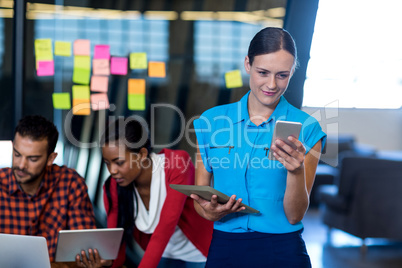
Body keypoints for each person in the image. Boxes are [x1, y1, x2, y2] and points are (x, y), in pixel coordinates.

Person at [192, 27, 327, 267]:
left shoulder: (307, 128)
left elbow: (295, 215)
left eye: (283, 75)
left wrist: (295, 171)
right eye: (263, 72)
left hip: (282, 251)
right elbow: (199, 197)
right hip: (224, 247)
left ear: (293, 71)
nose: (272, 84)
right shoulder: (210, 122)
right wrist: (209, 212)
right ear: (247, 64)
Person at [80, 117, 213, 268]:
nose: (112, 171)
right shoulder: (113, 186)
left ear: (142, 154)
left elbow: (165, 228)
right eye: (107, 163)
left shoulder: (176, 165)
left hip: (200, 254)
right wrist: (107, 261)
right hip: (163, 255)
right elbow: (116, 241)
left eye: (119, 162)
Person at [0, 115, 96, 266]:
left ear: (51, 158)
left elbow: (85, 248)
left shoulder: (70, 183)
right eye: (17, 154)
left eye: (32, 159)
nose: (21, 165)